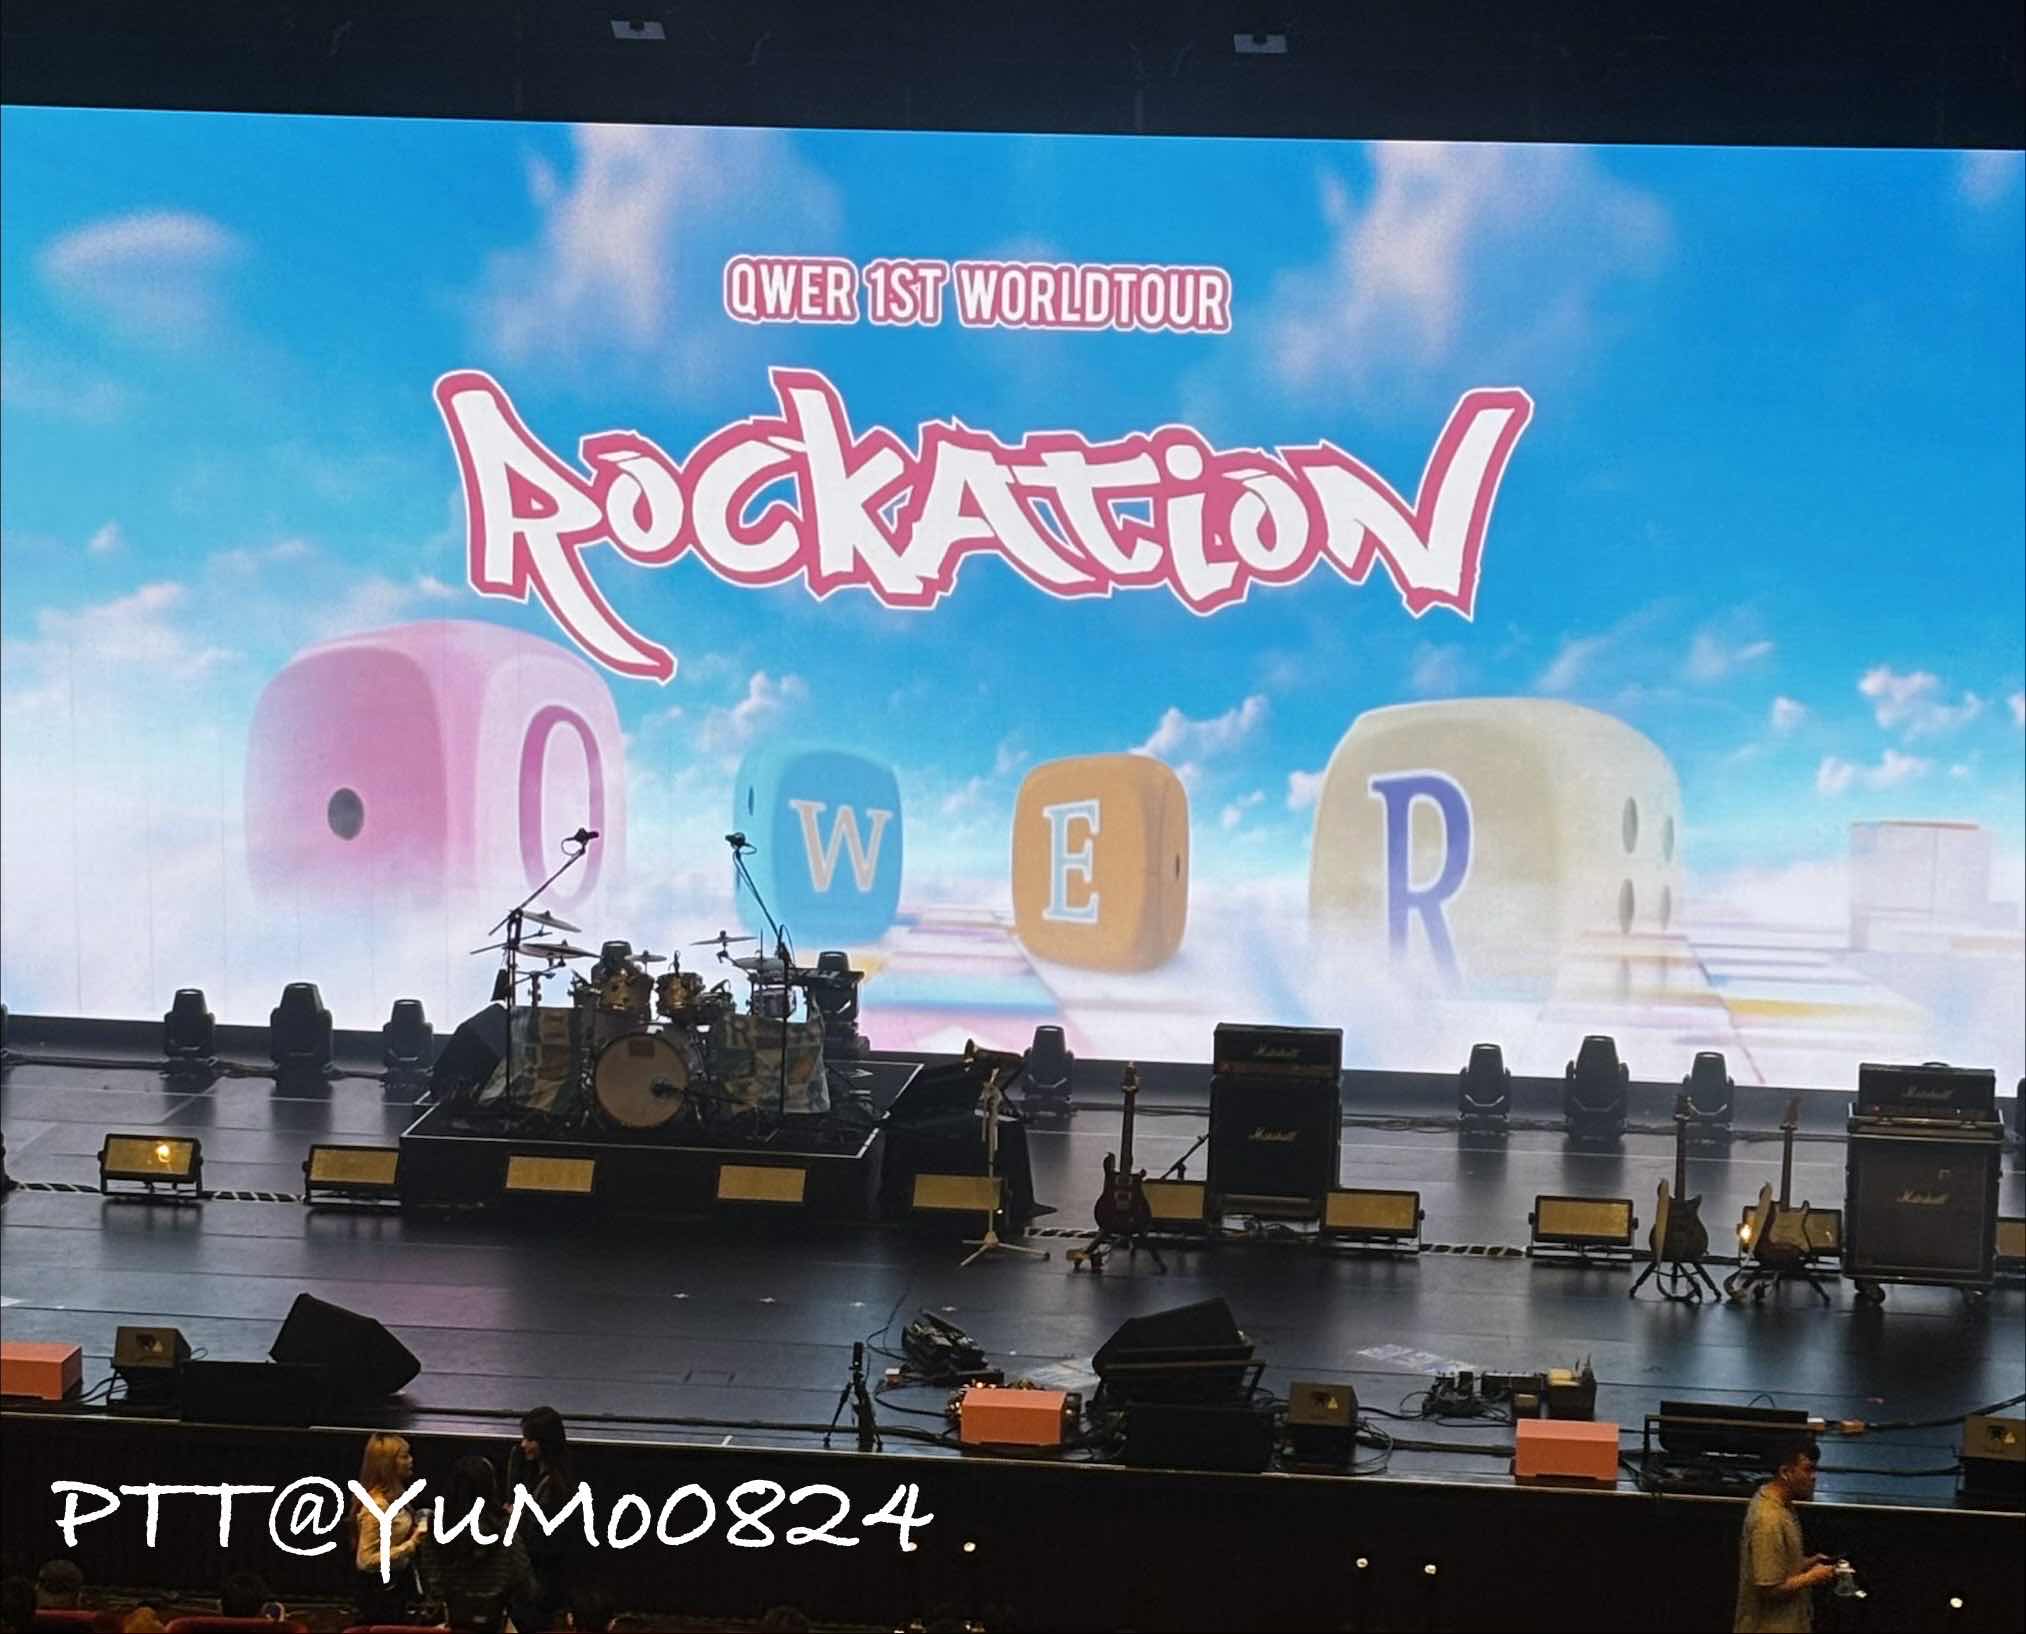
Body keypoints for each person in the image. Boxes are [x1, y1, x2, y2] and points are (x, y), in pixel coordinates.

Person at [416, 1455, 533, 1634]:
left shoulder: (437, 1526)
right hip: (495, 1620)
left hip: (453, 1619)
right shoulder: (505, 1529)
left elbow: (430, 1575)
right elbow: (523, 1579)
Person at [1734, 1436, 1838, 1632]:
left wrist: (1807, 1563)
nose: (1814, 1477)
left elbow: (1777, 1566)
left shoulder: (1783, 1505)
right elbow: (1769, 1589)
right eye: (1808, 1469)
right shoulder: (1769, 1520)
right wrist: (1813, 1577)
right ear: (1785, 1472)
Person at [507, 1406, 581, 1630]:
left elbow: (544, 1540)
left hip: (541, 1580)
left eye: (529, 1440)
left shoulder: (554, 1488)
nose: (523, 1445)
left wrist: (516, 1519)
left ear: (544, 1443)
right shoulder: (541, 1475)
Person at [353, 1432, 428, 1625]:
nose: (411, 1460)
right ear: (388, 1464)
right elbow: (366, 1561)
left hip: (397, 1588)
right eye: (404, 1456)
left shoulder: (395, 1497)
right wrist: (411, 1544)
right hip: (382, 1600)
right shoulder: (378, 1506)